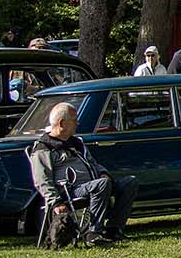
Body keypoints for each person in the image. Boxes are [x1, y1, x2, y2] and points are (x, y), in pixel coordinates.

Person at [28, 101, 136, 245]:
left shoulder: (76, 143)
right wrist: (56, 202)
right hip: (70, 191)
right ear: (61, 123)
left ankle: (113, 230)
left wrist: (103, 173)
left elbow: (93, 163)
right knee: (101, 185)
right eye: (74, 120)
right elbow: (42, 180)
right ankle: (93, 233)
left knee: (130, 182)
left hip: (94, 184)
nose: (77, 123)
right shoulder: (44, 148)